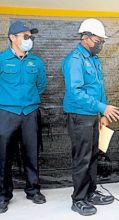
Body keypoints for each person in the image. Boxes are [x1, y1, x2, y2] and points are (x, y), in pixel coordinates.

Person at [62, 18, 119, 216]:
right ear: (85, 38)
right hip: (79, 116)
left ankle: (91, 192)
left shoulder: (94, 59)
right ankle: (78, 199)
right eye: (98, 39)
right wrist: (102, 107)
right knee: (82, 159)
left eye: (102, 40)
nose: (101, 43)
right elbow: (75, 92)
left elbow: (99, 87)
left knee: (93, 156)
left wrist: (101, 113)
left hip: (92, 115)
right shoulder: (74, 60)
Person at [0, 21, 47, 214]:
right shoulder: (2, 59)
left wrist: (29, 101)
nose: (29, 40)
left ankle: (33, 190)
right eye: (25, 36)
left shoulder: (36, 61)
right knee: (3, 157)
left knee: (31, 154)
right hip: (6, 114)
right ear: (13, 38)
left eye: (31, 37)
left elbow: (41, 85)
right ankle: (3, 196)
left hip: (30, 113)